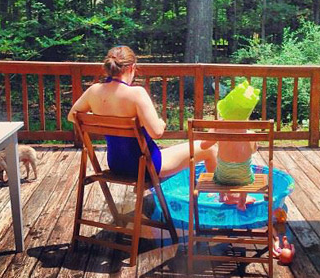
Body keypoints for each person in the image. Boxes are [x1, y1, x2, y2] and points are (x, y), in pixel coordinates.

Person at [67, 45, 217, 179]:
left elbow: (72, 116)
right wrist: (161, 123)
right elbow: (156, 133)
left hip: (116, 164)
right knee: (209, 148)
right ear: (132, 67)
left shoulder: (93, 91)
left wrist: (101, 120)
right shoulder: (136, 93)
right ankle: (218, 198)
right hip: (145, 167)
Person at [200, 81, 260, 211]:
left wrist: (213, 128)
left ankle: (222, 196)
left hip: (222, 177)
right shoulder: (251, 133)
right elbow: (254, 151)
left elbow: (204, 146)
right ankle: (242, 201)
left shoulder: (219, 129)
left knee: (219, 168)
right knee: (247, 171)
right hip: (244, 178)